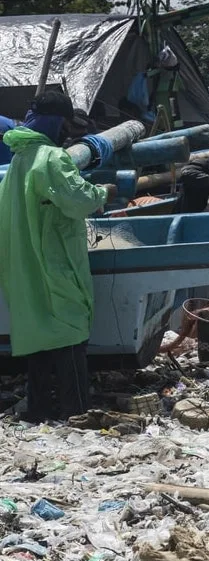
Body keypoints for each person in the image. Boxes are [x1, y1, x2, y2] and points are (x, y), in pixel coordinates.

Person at [0, 91, 117, 422]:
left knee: (38, 337)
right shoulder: (52, 158)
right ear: (57, 122)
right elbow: (76, 199)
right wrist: (102, 192)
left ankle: (38, 410)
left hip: (24, 265)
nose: (69, 130)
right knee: (70, 335)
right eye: (66, 123)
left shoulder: (20, 159)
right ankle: (76, 412)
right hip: (53, 263)